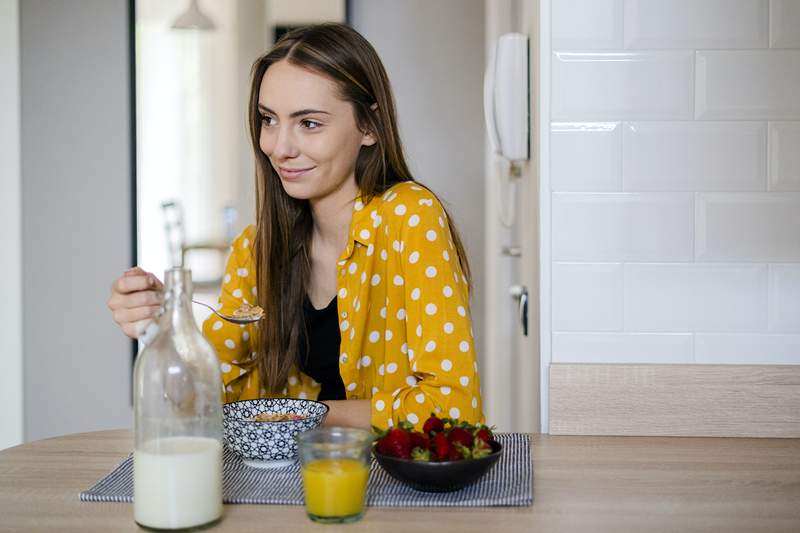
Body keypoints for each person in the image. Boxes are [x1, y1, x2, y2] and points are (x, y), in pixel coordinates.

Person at [108, 23, 483, 431]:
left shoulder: (410, 215)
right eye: (269, 119)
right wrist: (164, 324)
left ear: (370, 127)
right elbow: (194, 400)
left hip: (390, 486)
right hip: (285, 485)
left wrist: (295, 417)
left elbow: (453, 407)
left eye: (309, 123)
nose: (279, 147)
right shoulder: (256, 248)